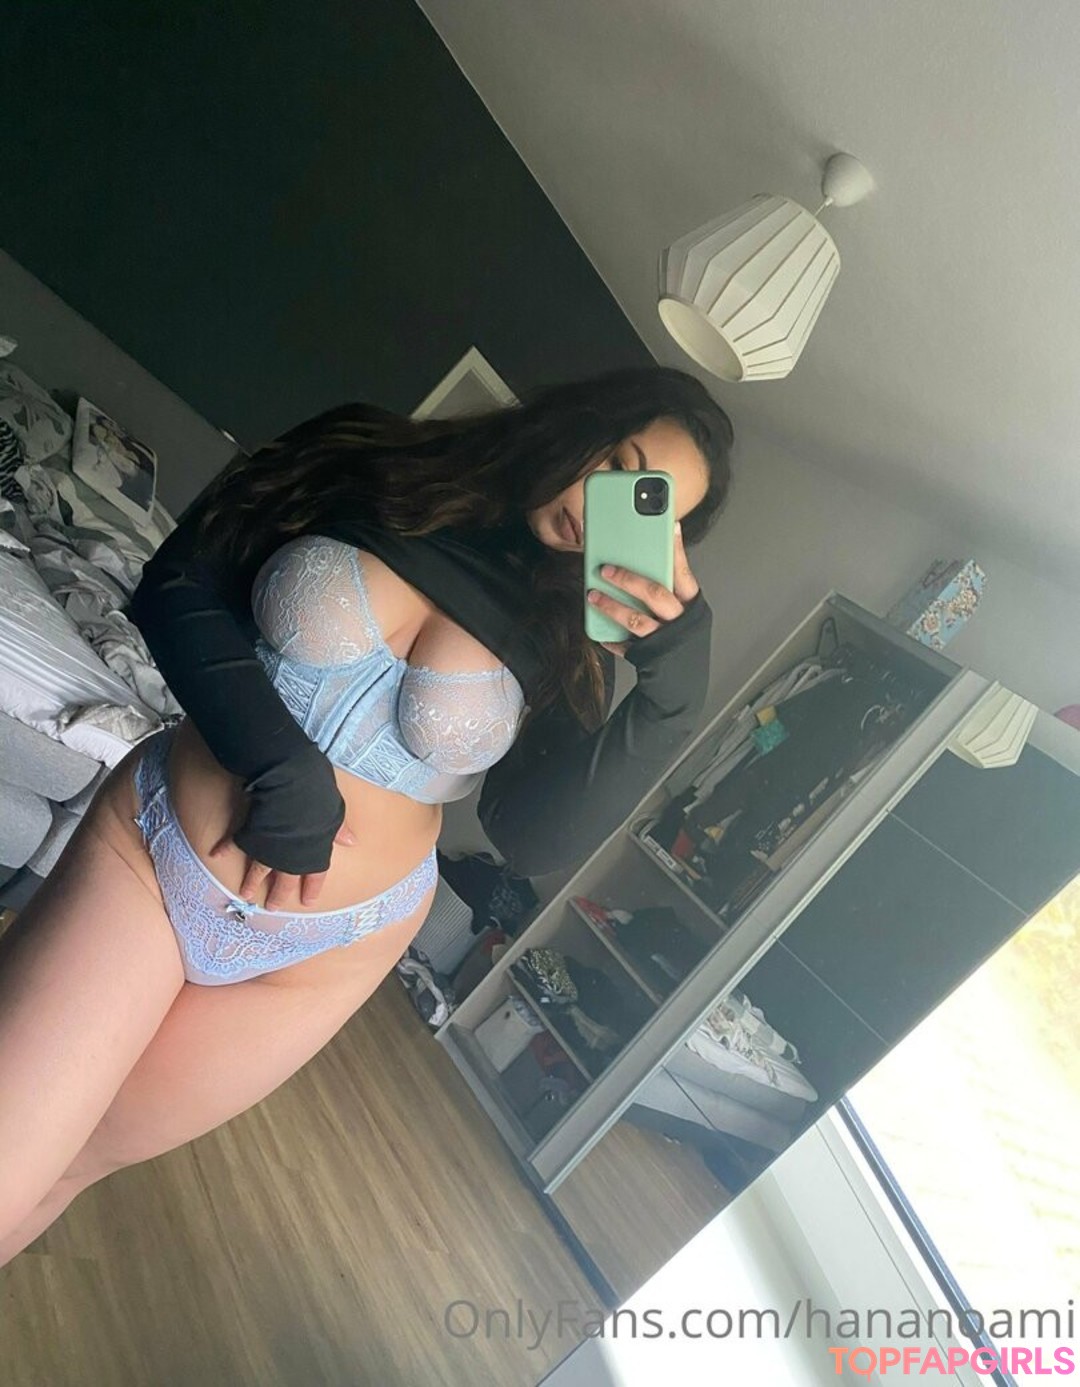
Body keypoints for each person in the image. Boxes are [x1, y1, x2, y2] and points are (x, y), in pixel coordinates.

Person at [0, 364, 733, 1264]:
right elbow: (177, 580)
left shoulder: (569, 649)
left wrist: (668, 706)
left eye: (652, 507)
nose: (611, 506)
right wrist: (277, 761)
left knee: (71, 1167)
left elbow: (530, 836)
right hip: (155, 860)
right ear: (576, 420)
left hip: (330, 953)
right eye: (617, 463)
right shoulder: (369, 453)